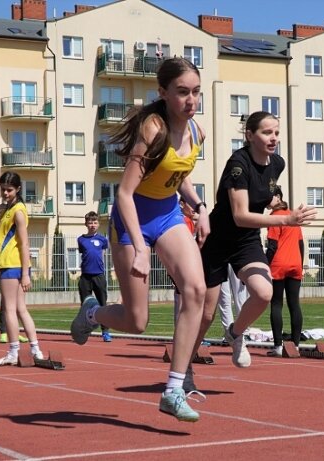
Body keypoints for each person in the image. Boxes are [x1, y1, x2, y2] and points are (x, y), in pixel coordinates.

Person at [69, 57, 210, 422]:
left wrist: (200, 206)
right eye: (182, 93)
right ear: (163, 93)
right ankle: (93, 312)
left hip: (167, 215)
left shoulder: (197, 132)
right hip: (131, 220)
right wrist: (140, 249)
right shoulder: (152, 129)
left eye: (195, 92)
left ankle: (174, 389)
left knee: (195, 289)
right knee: (137, 321)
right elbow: (125, 194)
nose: (190, 100)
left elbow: (178, 176)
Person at [193, 111, 316, 370]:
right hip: (218, 240)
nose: (273, 138)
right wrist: (286, 219)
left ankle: (235, 334)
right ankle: (185, 370)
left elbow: (260, 192)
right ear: (249, 135)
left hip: (246, 241)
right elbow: (240, 215)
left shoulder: (277, 164)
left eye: (276, 133)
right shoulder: (238, 164)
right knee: (206, 313)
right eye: (266, 132)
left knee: (263, 292)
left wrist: (272, 202)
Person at [0, 171, 44, 366]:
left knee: (9, 310)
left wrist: (25, 273)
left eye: (9, 190)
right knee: (21, 309)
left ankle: (13, 352)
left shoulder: (18, 211)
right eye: (3, 189)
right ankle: (35, 349)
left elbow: (24, 244)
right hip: (10, 265)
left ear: (18, 189)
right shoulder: (7, 210)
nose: (5, 193)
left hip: (13, 266)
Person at [266, 188, 305, 357]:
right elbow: (301, 243)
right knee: (294, 304)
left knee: (276, 304)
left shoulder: (274, 218)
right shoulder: (292, 216)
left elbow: (272, 246)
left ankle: (278, 346)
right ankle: (295, 345)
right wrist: (300, 264)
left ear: (278, 197)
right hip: (295, 263)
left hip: (278, 265)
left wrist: (265, 264)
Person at [77, 211, 112, 342]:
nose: (92, 225)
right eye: (90, 222)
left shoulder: (103, 240)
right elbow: (83, 254)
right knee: (85, 306)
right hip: (85, 277)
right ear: (86, 224)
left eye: (95, 222)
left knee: (102, 304)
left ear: (98, 224)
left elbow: (102, 254)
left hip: (99, 276)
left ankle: (106, 331)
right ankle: (84, 331)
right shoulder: (81, 240)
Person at [216, 264, 247, 342]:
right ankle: (229, 333)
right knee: (224, 299)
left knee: (240, 299)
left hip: (236, 259)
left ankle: (240, 332)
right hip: (220, 260)